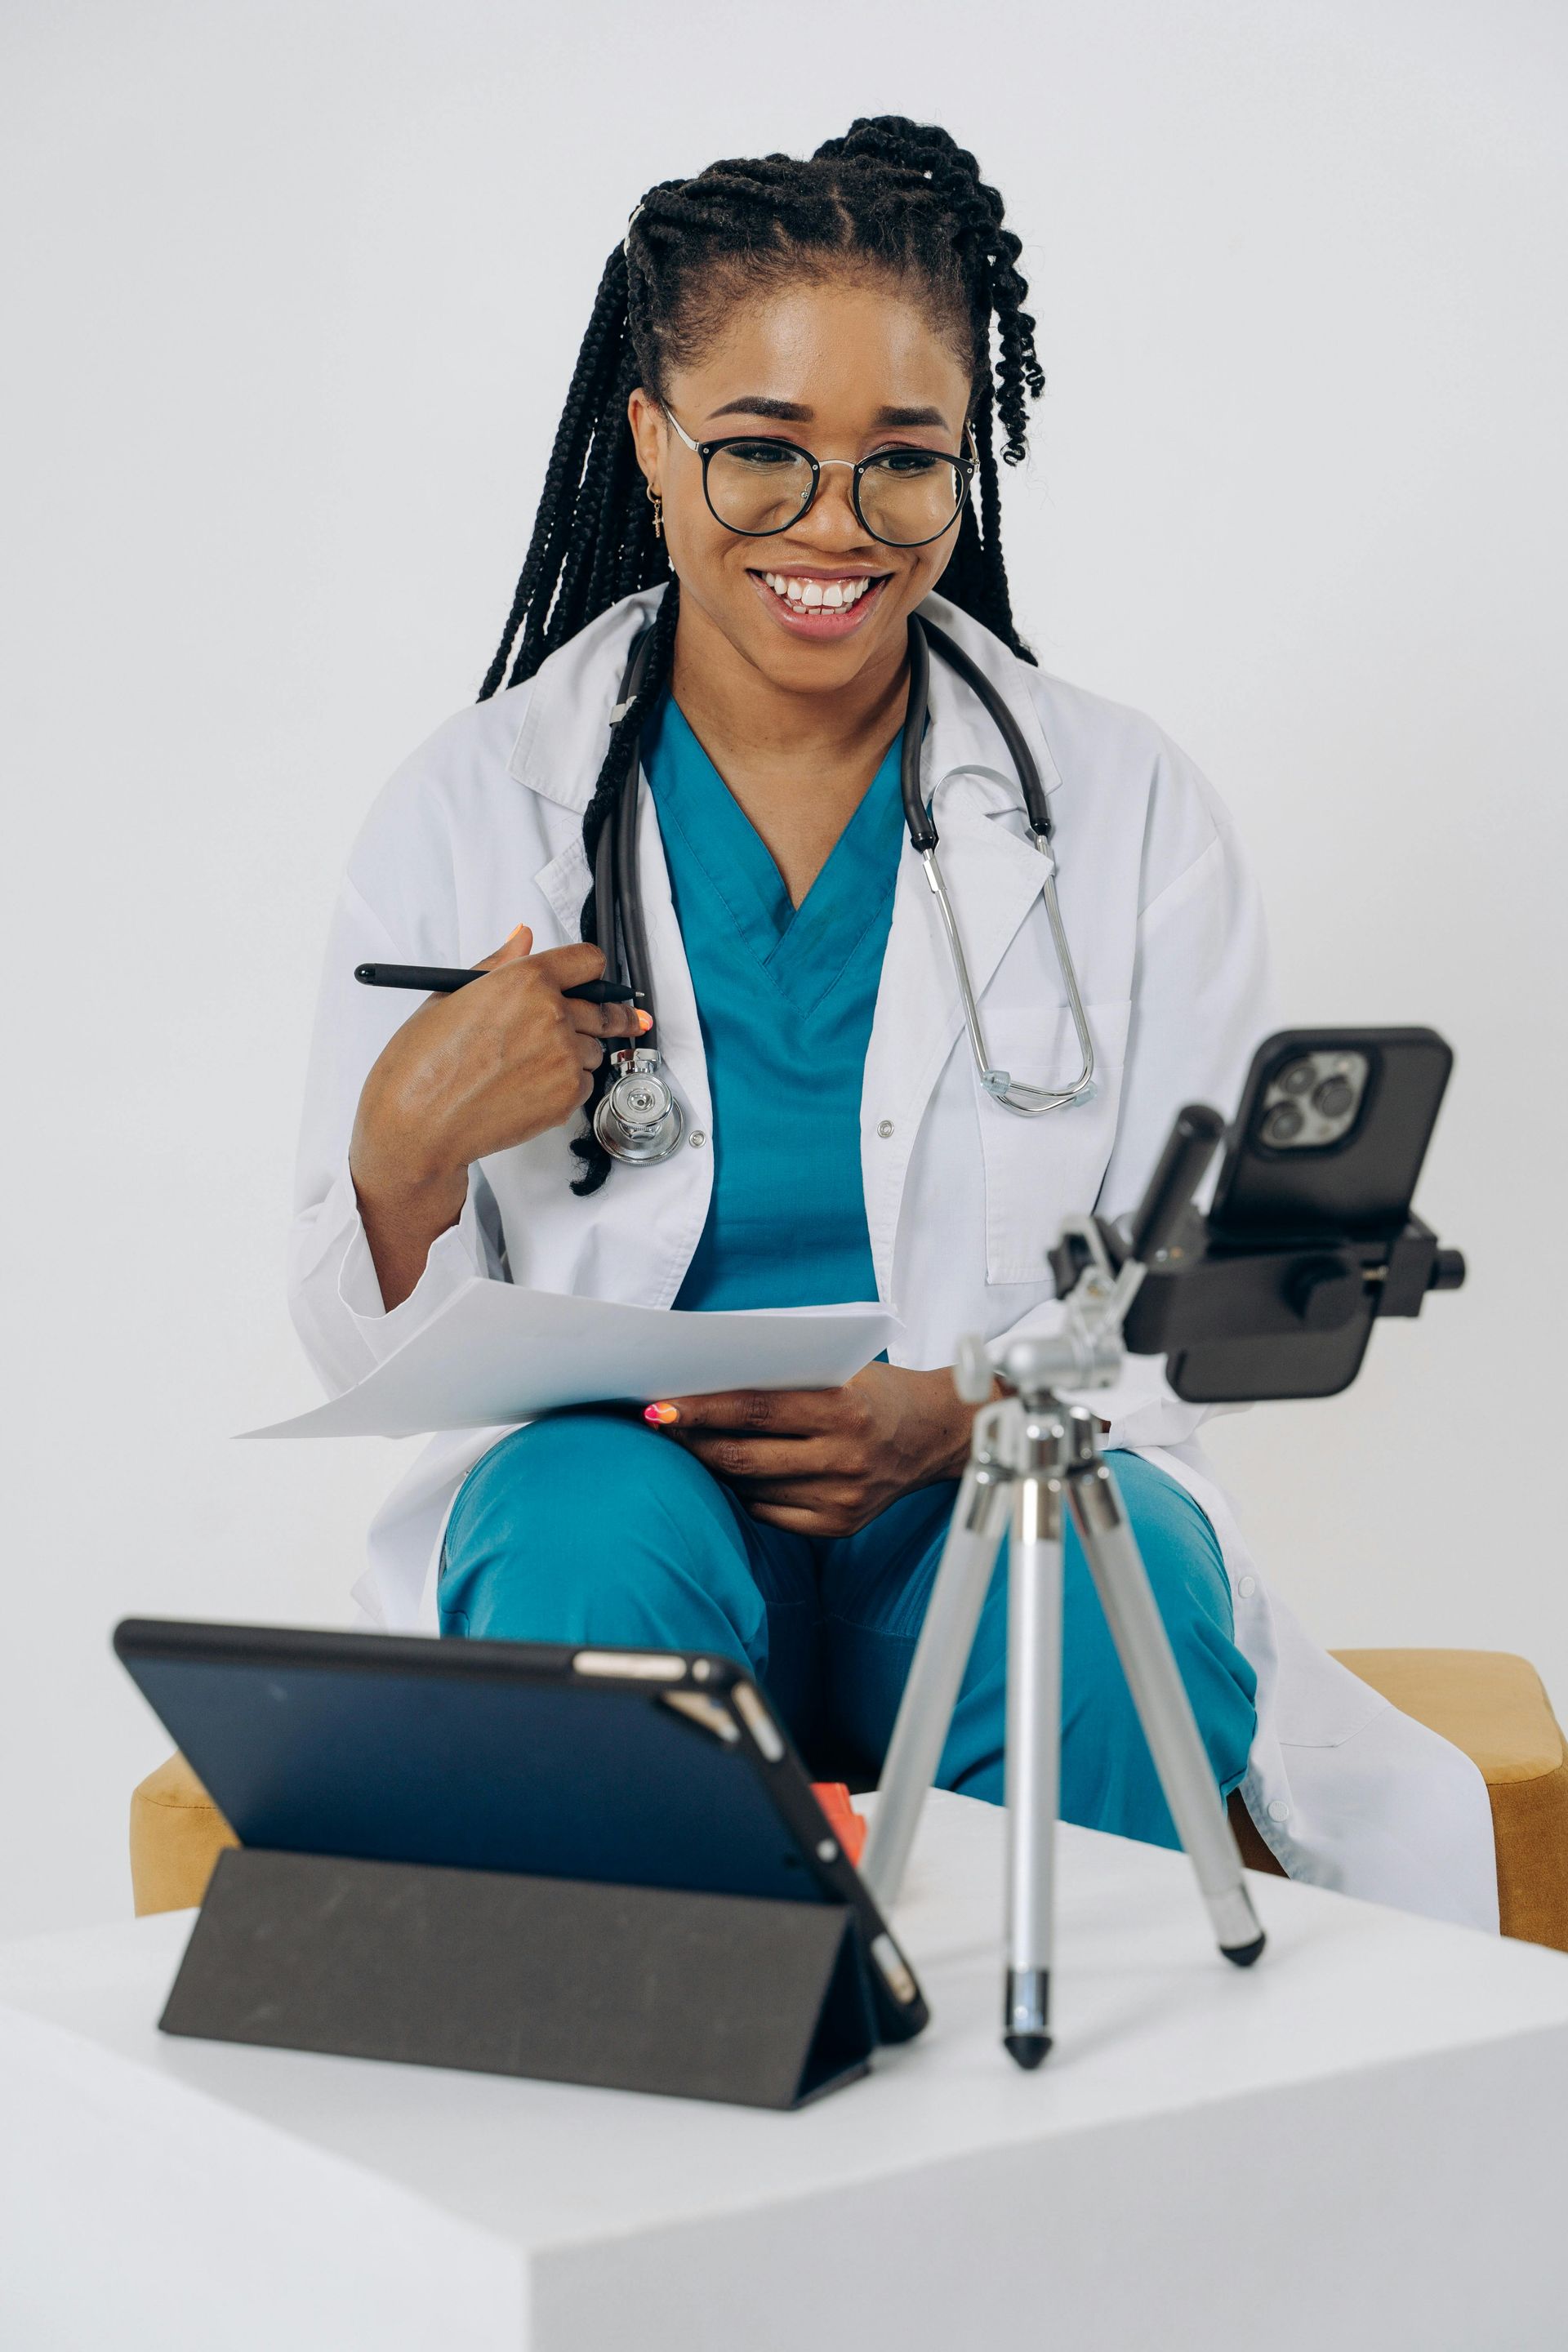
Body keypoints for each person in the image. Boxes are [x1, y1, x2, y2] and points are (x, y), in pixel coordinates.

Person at [291, 117, 1494, 1927]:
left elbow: (1202, 1283)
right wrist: (399, 1158)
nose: (836, 527)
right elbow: (353, 1353)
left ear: (963, 467)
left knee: (1087, 1580)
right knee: (577, 1552)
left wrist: (964, 1405)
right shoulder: (475, 810)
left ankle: (1082, 2093)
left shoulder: (1122, 806)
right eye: (762, 453)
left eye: (905, 463)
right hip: (632, 1502)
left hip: (995, 1488)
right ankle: (672, 2066)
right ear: (652, 441)